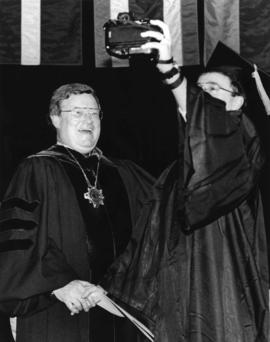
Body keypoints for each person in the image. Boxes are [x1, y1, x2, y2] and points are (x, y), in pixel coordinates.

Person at [102, 20, 269, 341]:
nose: (201, 97)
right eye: (199, 89)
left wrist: (169, 70)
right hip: (176, 295)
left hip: (224, 294)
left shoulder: (243, 145)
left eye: (212, 90)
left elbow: (207, 123)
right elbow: (150, 239)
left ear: (237, 102)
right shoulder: (176, 171)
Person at [0, 83, 154, 342]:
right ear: (56, 118)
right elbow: (19, 245)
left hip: (118, 308)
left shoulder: (125, 172)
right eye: (77, 112)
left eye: (94, 113)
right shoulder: (36, 169)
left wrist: (121, 282)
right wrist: (59, 285)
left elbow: (159, 228)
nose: (88, 120)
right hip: (61, 308)